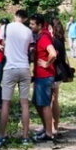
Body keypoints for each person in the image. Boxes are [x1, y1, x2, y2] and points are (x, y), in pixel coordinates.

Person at [0, 9, 33, 147]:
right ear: (26, 19)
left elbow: (4, 44)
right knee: (24, 104)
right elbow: (26, 48)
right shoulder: (28, 31)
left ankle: (1, 136)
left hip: (10, 67)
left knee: (5, 103)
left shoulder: (6, 27)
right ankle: (25, 137)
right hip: (24, 67)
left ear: (15, 16)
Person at [29, 14, 56, 142]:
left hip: (45, 76)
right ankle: (46, 128)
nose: (30, 26)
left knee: (45, 105)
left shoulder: (44, 37)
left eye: (33, 24)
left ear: (39, 25)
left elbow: (53, 53)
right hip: (40, 76)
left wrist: (46, 63)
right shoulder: (40, 37)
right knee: (37, 103)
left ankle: (49, 134)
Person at [49, 17, 68, 134]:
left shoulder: (53, 41)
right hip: (60, 72)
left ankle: (52, 126)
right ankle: (54, 125)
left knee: (52, 100)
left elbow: (53, 56)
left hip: (54, 72)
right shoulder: (60, 40)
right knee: (55, 100)